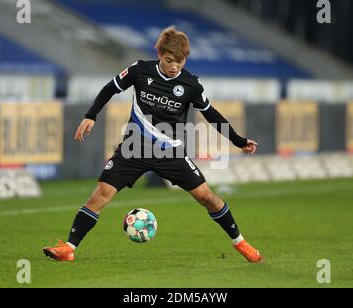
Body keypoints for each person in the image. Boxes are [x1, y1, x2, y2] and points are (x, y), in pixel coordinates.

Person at [43, 26, 263, 263]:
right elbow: (110, 88)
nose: (174, 66)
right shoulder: (140, 71)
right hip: (134, 148)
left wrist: (238, 141)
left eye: (180, 62)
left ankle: (240, 242)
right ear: (159, 54)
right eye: (169, 60)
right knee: (101, 194)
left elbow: (212, 115)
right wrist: (91, 115)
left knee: (207, 197)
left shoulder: (191, 85)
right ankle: (69, 248)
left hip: (170, 152)